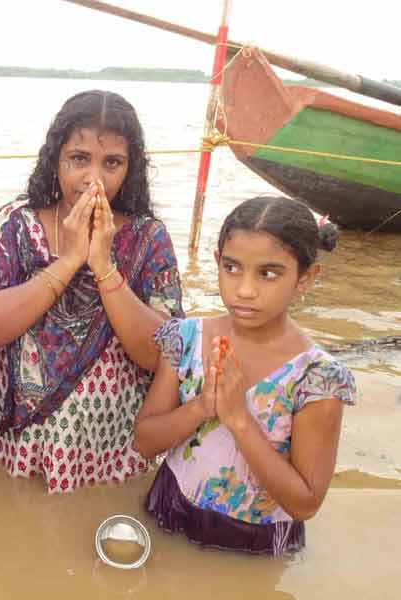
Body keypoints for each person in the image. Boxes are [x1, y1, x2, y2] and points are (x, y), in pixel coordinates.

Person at [0, 90, 183, 493]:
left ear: (131, 169)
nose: (94, 178)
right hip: (19, 445)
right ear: (55, 159)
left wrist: (104, 265)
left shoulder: (149, 237)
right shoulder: (16, 226)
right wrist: (69, 260)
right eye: (79, 159)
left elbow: (162, 357)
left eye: (112, 163)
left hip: (112, 450)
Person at [134, 196, 356, 555]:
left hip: (255, 538)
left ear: (306, 277)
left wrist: (238, 419)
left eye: (269, 273)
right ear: (218, 262)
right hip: (170, 506)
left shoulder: (315, 378)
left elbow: (305, 504)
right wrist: (201, 407)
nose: (245, 289)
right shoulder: (187, 339)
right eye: (233, 268)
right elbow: (144, 442)